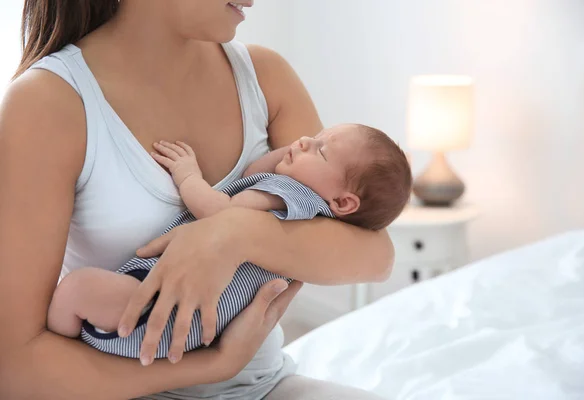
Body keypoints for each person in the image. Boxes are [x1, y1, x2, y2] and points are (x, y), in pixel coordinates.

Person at [0, 1, 394, 399]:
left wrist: (234, 233)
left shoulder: (264, 75)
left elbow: (375, 255)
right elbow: (15, 370)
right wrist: (215, 364)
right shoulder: (49, 102)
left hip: (264, 385)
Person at [47, 125, 412, 361]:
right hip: (185, 329)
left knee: (76, 289)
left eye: (321, 150)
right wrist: (296, 154)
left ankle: (62, 343)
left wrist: (188, 175)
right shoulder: (306, 216)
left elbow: (221, 214)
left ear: (344, 203)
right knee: (83, 295)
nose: (303, 141)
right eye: (316, 135)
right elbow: (253, 175)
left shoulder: (294, 197)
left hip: (162, 309)